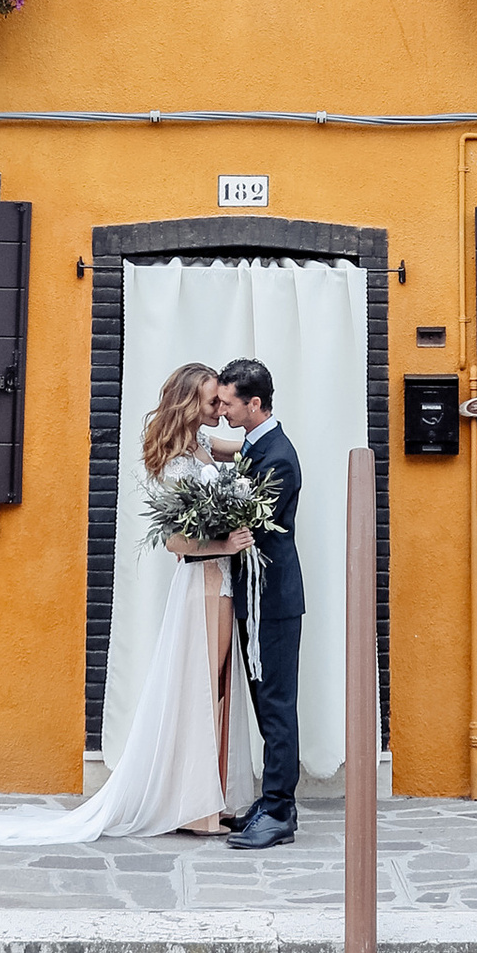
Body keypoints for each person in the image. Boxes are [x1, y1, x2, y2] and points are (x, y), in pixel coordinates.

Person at [0, 360, 255, 846]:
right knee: (204, 690)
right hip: (202, 582)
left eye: (222, 399)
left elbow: (248, 445)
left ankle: (208, 799)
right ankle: (196, 808)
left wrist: (262, 428)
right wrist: (225, 544)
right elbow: (177, 543)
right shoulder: (177, 461)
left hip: (218, 583)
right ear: (190, 402)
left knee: (217, 688)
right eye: (212, 400)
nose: (220, 407)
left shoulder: (200, 445)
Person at [212, 356, 302, 847]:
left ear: (255, 403)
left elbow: (253, 523)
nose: (222, 410)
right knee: (265, 701)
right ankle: (269, 803)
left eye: (228, 403)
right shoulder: (255, 446)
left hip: (273, 598)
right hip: (256, 595)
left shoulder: (279, 457)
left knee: (276, 704)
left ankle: (280, 813)